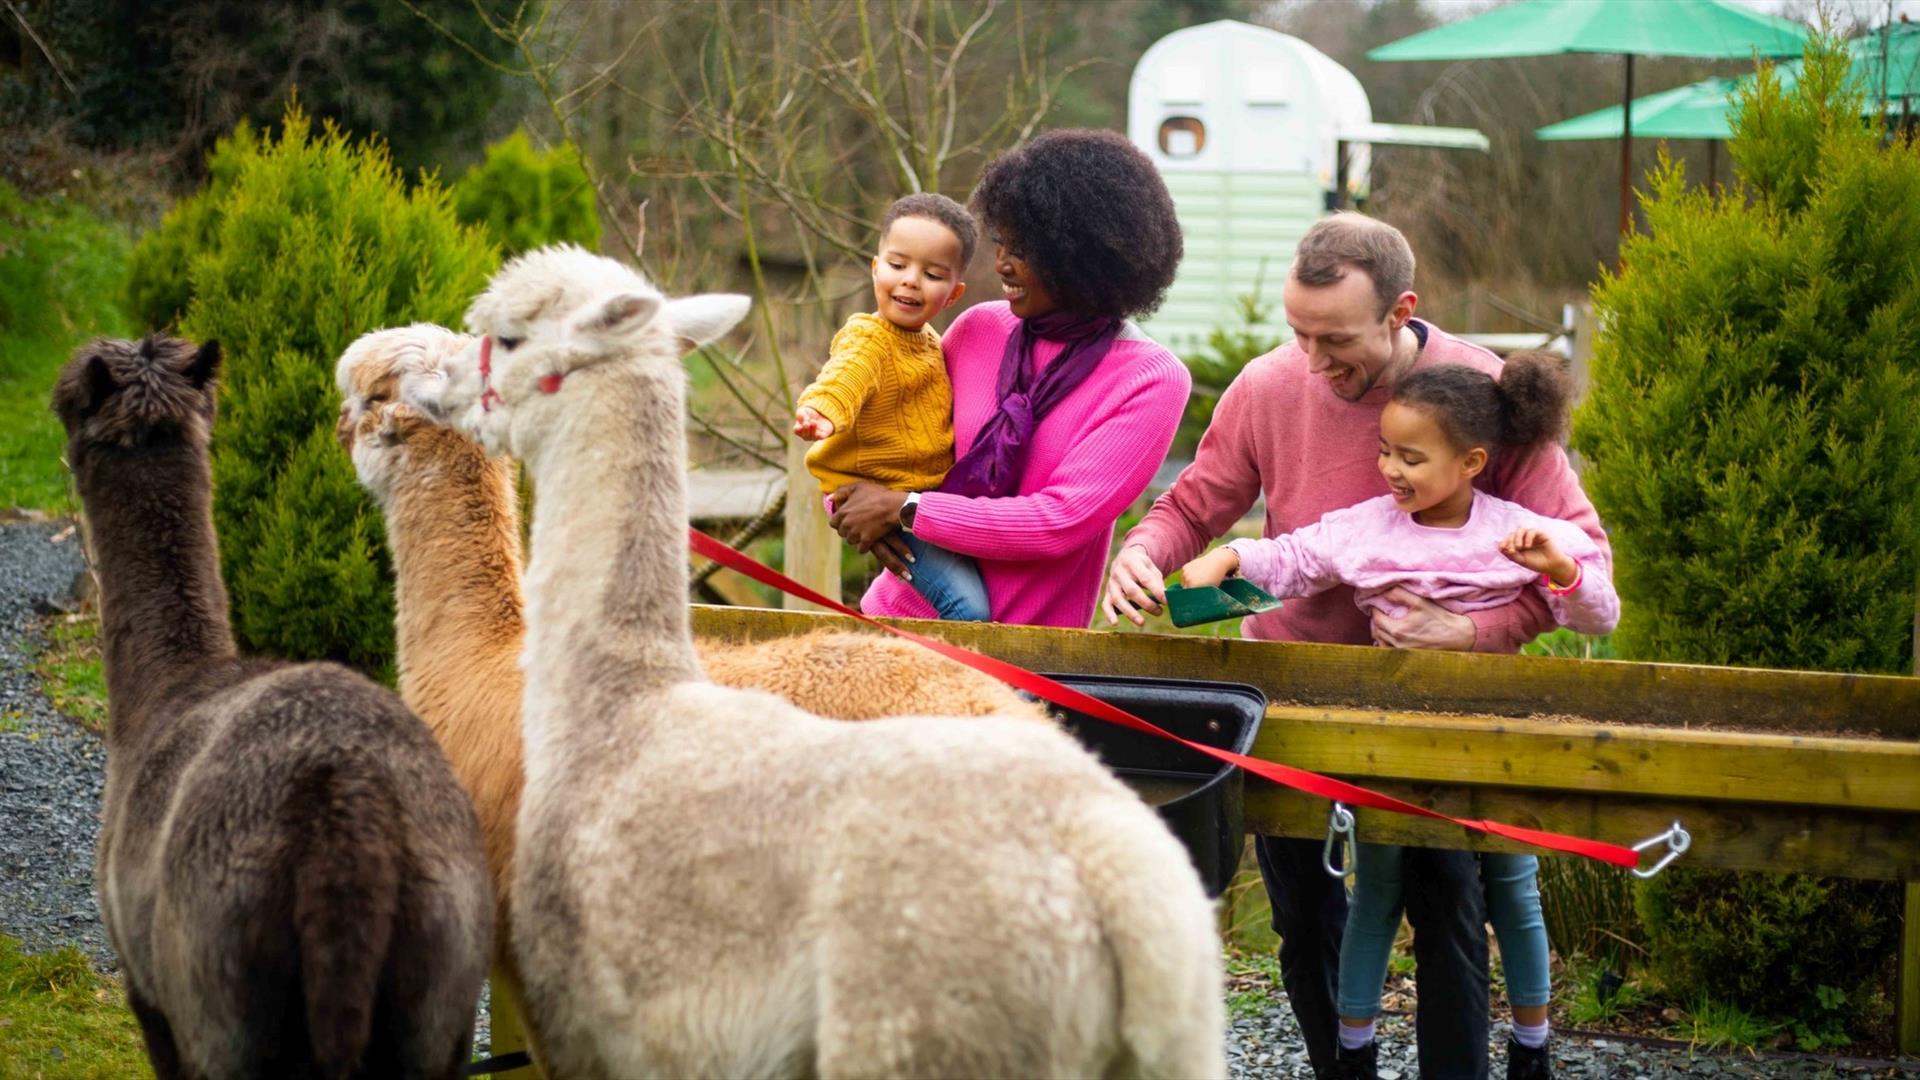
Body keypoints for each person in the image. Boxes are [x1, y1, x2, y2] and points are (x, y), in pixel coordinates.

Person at [1105, 212, 1610, 1080]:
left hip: (1435, 697)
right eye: (1297, 333)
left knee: (1446, 903)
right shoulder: (1269, 388)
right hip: (1293, 682)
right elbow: (1194, 505)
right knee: (1308, 916)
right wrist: (1144, 555)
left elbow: (1575, 554)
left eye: (1334, 339)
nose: (1312, 360)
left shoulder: (1480, 393)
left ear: (1399, 310)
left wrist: (1478, 631)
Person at [828, 128, 1189, 629]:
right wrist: (849, 504)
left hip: (1023, 663)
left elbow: (1056, 522)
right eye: (1002, 241)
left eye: (1026, 250)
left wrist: (905, 510)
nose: (1001, 263)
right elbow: (887, 426)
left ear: (1082, 258)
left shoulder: (1148, 380)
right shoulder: (980, 328)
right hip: (894, 626)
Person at [793, 193, 988, 620]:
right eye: (898, 265)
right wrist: (822, 412)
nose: (911, 280)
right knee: (969, 608)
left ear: (953, 294)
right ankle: (966, 684)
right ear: (876, 267)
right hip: (882, 501)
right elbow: (846, 376)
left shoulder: (933, 343)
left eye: (932, 273)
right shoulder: (870, 337)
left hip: (921, 500)